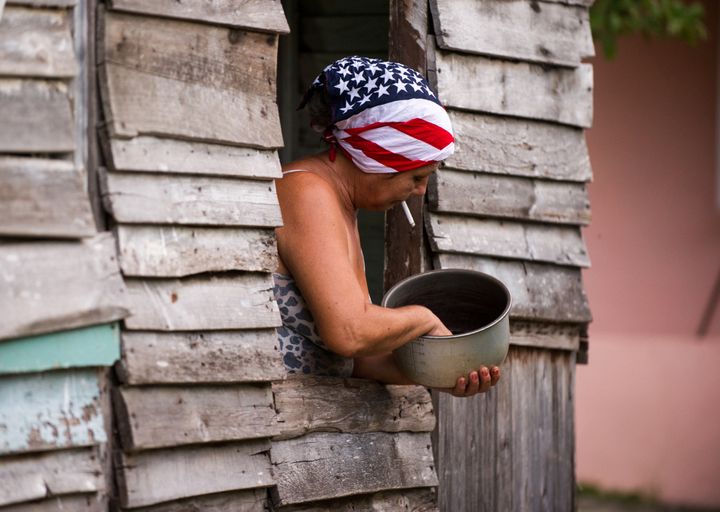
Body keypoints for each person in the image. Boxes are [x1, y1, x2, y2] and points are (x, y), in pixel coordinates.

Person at [273, 56, 500, 397]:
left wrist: (445, 369)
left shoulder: (341, 205)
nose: (420, 190)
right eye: (417, 176)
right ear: (380, 157)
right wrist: (422, 318)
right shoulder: (306, 192)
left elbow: (361, 361)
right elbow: (348, 331)